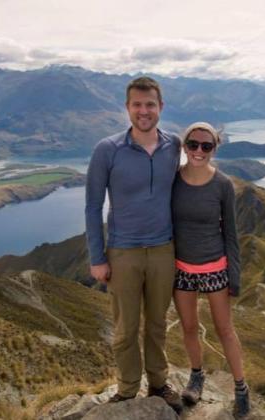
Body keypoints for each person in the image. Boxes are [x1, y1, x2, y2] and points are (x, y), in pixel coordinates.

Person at [85, 76, 183, 413]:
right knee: (126, 328)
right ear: (127, 108)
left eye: (150, 105)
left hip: (163, 251)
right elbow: (92, 206)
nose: (144, 111)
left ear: (160, 107)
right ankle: (127, 390)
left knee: (156, 324)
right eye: (137, 105)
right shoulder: (107, 149)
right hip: (123, 252)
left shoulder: (174, 146)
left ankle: (158, 384)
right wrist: (97, 257)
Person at [172, 122, 250, 417]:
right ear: (185, 145)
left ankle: (241, 388)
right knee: (189, 327)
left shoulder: (223, 185)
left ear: (214, 148)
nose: (199, 151)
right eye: (193, 144)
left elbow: (230, 232)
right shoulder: (173, 180)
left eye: (206, 146)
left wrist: (235, 275)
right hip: (181, 269)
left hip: (214, 267)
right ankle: (196, 376)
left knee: (224, 329)